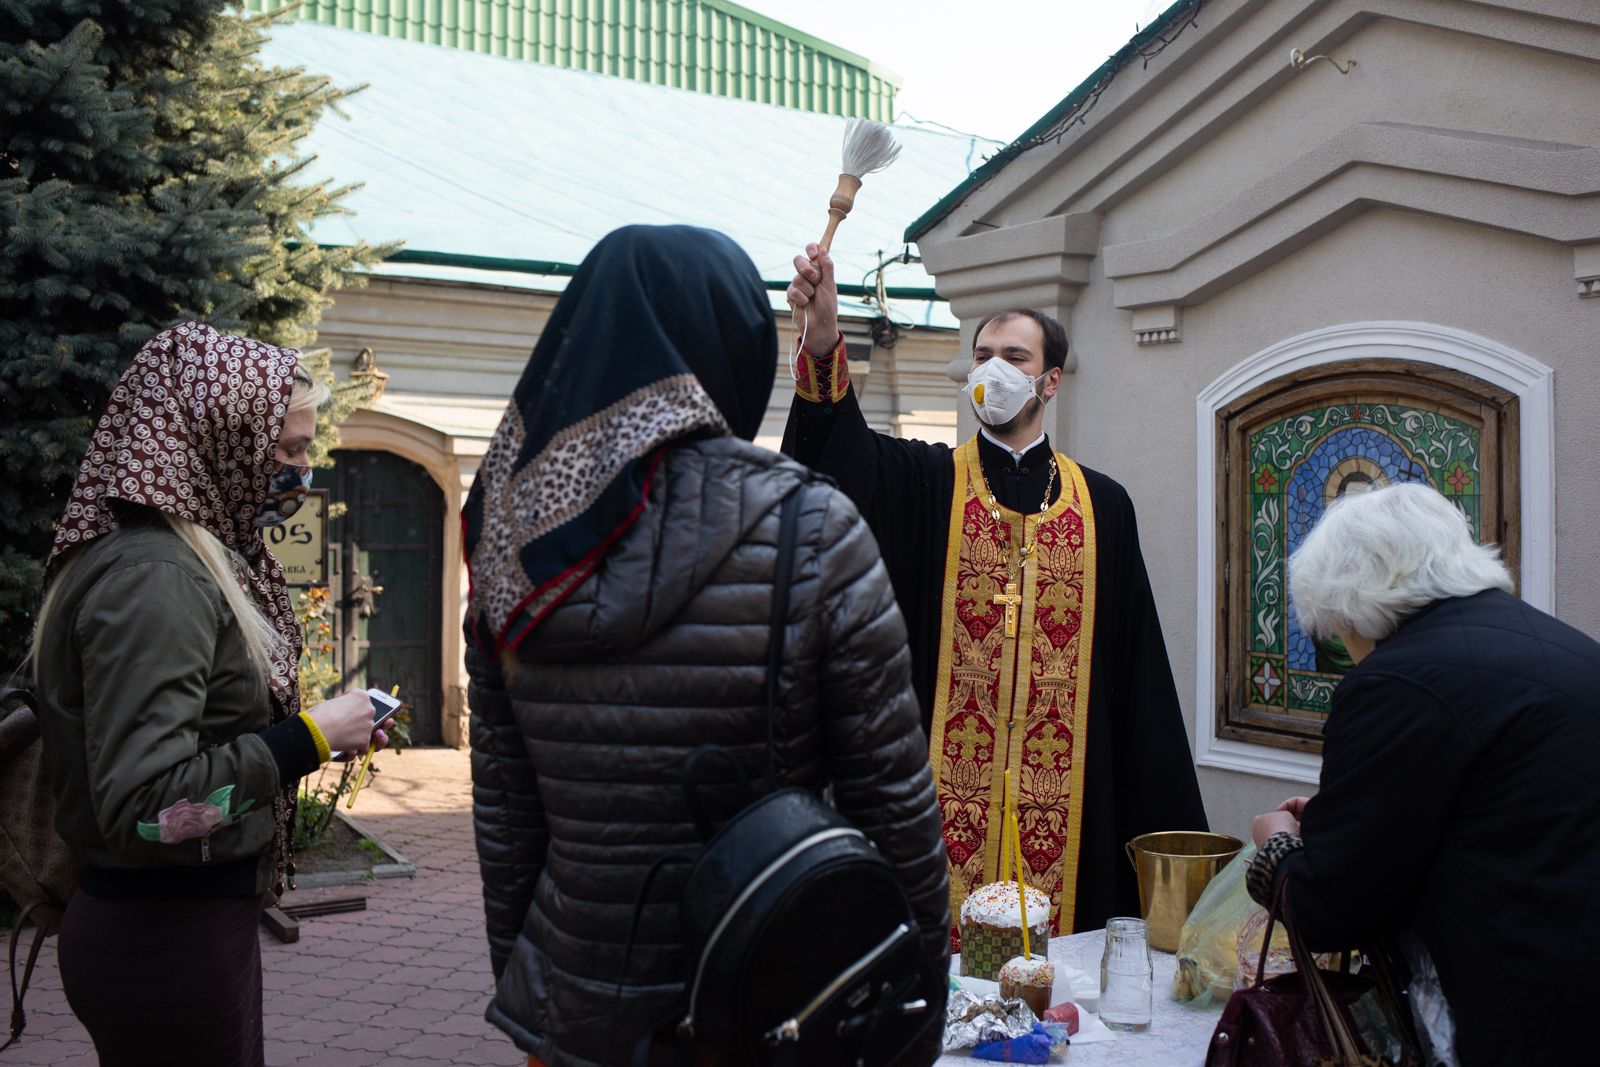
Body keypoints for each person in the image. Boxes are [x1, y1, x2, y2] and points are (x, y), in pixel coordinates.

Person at [463, 225, 949, 1067]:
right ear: (738, 350)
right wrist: (914, 1016)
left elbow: (506, 817)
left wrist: (533, 991)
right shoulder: (808, 525)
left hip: (580, 1009)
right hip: (772, 1004)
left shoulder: (509, 532)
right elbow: (893, 805)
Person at [783, 244, 1206, 941]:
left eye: (1014, 357)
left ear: (1051, 381)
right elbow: (837, 458)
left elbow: (1140, 679)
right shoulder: (929, 482)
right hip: (939, 803)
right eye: (982, 355)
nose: (993, 370)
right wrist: (824, 338)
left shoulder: (1103, 506)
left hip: (1068, 813)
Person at [30, 323, 393, 1067]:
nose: (302, 470)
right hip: (164, 944)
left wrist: (314, 733)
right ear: (221, 442)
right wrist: (309, 738)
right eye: (288, 449)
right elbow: (148, 808)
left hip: (179, 930)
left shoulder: (183, 560)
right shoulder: (157, 579)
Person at [1247, 483, 1600, 1067]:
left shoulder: (1395, 682)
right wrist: (1344, 821)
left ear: (1351, 596)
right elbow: (1492, 818)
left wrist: (1276, 846)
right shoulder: (1565, 646)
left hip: (1514, 1012)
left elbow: (1333, 909)